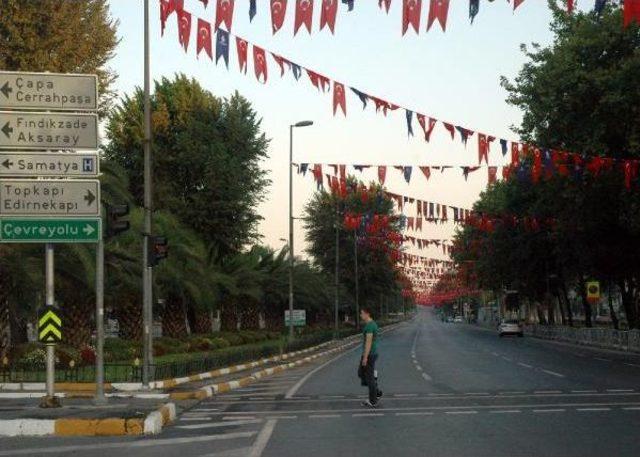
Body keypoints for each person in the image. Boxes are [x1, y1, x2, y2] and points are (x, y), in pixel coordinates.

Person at [359, 307, 382, 407]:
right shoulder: (372, 324)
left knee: (369, 378)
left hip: (369, 354)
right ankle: (376, 391)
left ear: (367, 314)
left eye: (362, 313)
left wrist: (365, 357)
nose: (361, 315)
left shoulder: (370, 326)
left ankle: (373, 400)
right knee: (361, 373)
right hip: (372, 353)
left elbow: (368, 342)